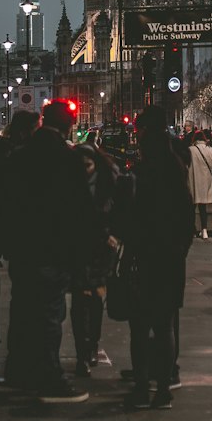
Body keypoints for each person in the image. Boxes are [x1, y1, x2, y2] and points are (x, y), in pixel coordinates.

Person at [0, 99, 92, 403]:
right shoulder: (67, 158)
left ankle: (18, 370)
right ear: (68, 126)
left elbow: (3, 200)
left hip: (23, 247)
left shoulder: (20, 156)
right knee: (50, 313)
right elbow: (80, 210)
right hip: (53, 248)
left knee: (23, 307)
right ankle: (50, 378)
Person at [113, 106, 195, 410]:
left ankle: (141, 387)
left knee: (140, 326)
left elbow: (123, 220)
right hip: (171, 257)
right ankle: (164, 388)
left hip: (142, 256)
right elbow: (187, 220)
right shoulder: (176, 172)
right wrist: (179, 249)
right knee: (165, 325)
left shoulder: (137, 176)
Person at [69, 143, 118, 377]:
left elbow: (117, 211)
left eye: (87, 166)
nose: (84, 171)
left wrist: (113, 235)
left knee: (97, 299)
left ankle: (92, 344)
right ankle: (81, 352)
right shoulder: (71, 184)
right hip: (80, 249)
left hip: (100, 250)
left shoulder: (108, 181)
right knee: (80, 301)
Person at [187, 129, 212, 238]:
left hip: (192, 180)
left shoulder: (190, 150)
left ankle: (192, 230)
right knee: (203, 208)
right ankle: (204, 229)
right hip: (206, 181)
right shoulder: (210, 150)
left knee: (192, 207)